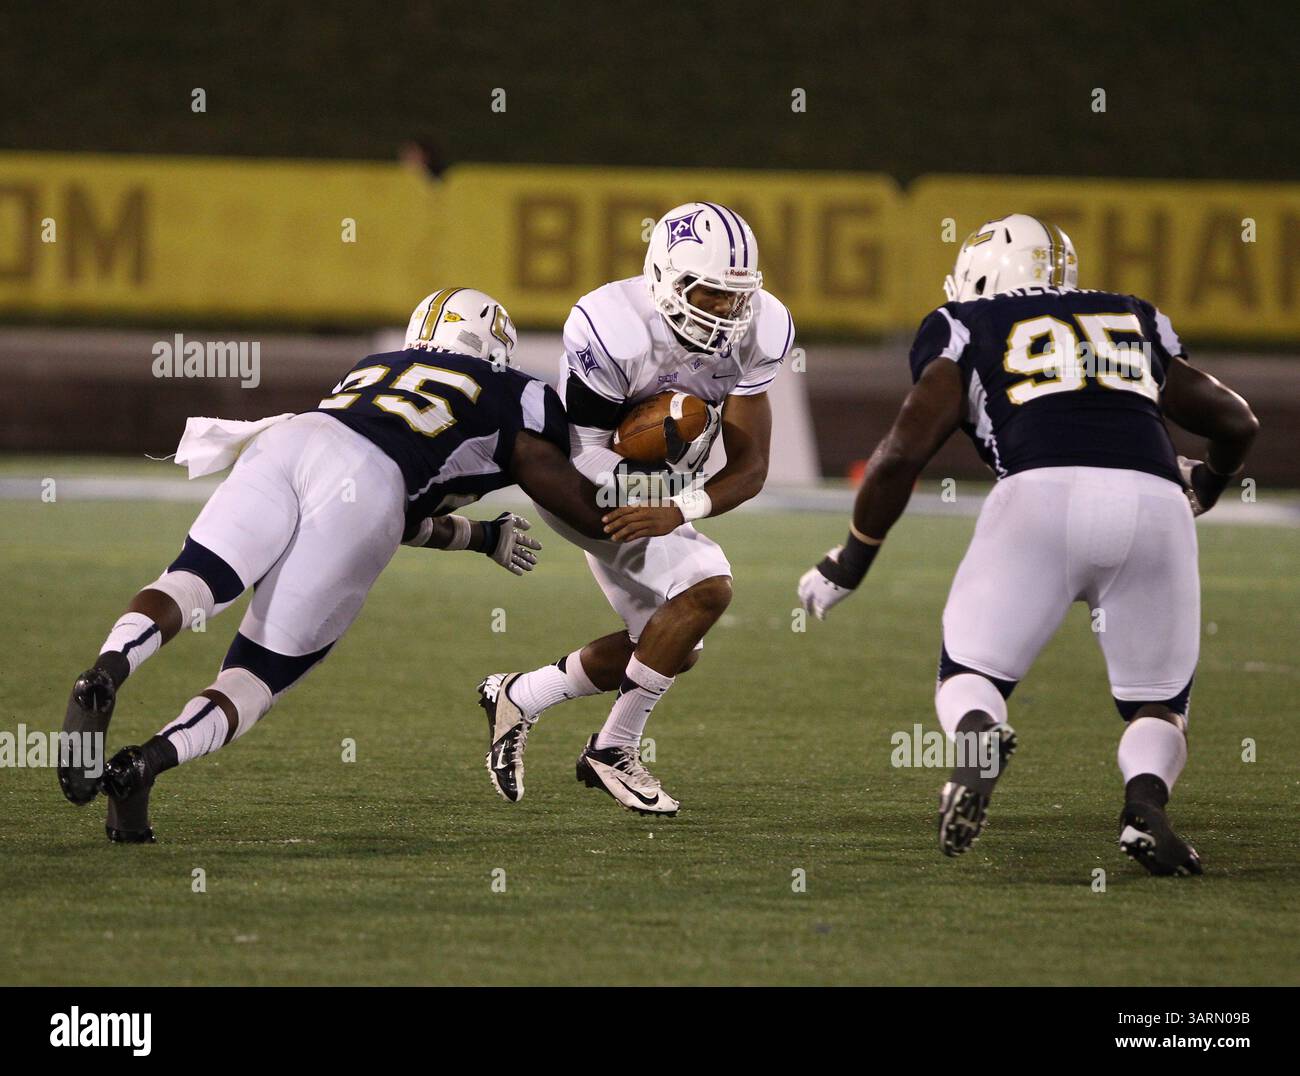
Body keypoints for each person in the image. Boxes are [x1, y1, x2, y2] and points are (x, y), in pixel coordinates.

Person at [797, 215, 1259, 875]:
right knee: (1157, 703)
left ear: (979, 277)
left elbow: (902, 452)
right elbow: (1237, 420)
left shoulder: (965, 323)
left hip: (1037, 497)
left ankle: (980, 737)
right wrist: (1207, 485)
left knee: (970, 674)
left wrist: (851, 561)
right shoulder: (1131, 314)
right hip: (1155, 504)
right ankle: (1145, 807)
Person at [59, 287, 609, 842]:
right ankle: (144, 765)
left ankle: (106, 670)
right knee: (256, 673)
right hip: (372, 485)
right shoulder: (517, 391)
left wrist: (478, 536)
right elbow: (387, 496)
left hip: (289, 438)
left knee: (193, 579)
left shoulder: (376, 365)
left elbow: (392, 500)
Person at [476, 201, 795, 815]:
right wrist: (655, 497)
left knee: (672, 643)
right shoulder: (611, 326)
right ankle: (612, 749)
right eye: (710, 294)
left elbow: (752, 469)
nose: (728, 311)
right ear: (667, 280)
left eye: (737, 296)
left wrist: (678, 506)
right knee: (707, 589)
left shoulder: (763, 329)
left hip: (659, 497)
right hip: (583, 487)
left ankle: (520, 694)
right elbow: (585, 455)